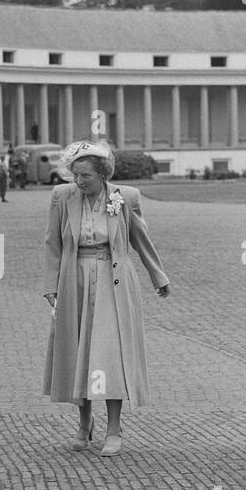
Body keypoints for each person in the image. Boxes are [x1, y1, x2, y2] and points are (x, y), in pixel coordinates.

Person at [43, 140, 169, 455]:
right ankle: (84, 423)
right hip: (75, 280)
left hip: (114, 280)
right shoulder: (62, 197)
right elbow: (52, 243)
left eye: (85, 175)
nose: (78, 181)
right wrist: (51, 285)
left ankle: (115, 427)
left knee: (111, 353)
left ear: (102, 174)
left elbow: (140, 238)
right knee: (78, 353)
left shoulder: (124, 197)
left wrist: (158, 276)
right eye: (75, 175)